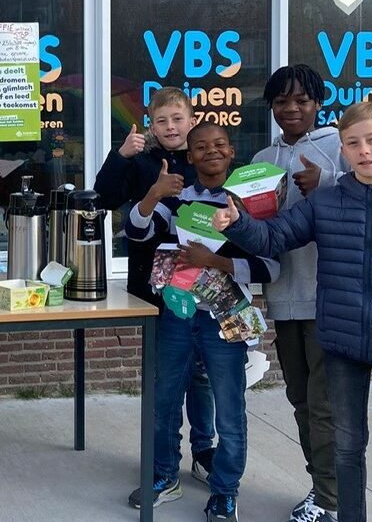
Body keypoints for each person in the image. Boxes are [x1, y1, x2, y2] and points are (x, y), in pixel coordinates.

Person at [213, 102, 372, 522]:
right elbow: (275, 236)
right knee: (347, 446)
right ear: (343, 152)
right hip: (342, 343)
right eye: (353, 143)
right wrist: (237, 224)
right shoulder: (326, 202)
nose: (364, 151)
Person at [125, 122, 279, 522]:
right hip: (178, 312)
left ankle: (225, 491)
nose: (211, 152)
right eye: (202, 147)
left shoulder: (248, 202)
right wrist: (154, 194)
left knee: (229, 411)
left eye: (220, 145)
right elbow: (136, 231)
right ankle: (163, 475)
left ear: (232, 152)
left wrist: (214, 262)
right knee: (163, 402)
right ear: (189, 157)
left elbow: (270, 266)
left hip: (226, 320)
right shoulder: (177, 199)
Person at [94, 87, 217, 481]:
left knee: (201, 374)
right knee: (165, 379)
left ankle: (204, 450)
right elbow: (104, 198)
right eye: (161, 121)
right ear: (150, 124)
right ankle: (164, 462)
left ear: (191, 120)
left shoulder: (205, 159)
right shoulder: (141, 160)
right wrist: (121, 155)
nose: (170, 127)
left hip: (203, 286)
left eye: (177, 119)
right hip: (156, 289)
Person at [252, 65, 345, 522]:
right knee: (302, 401)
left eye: (302, 101)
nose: (291, 109)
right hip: (283, 298)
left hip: (329, 297)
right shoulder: (261, 159)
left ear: (317, 103)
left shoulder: (340, 150)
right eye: (282, 102)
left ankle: (331, 499)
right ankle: (321, 487)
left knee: (325, 406)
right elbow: (255, 233)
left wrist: (326, 188)